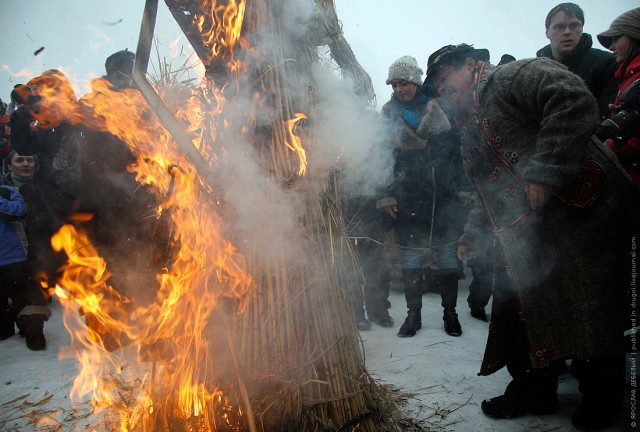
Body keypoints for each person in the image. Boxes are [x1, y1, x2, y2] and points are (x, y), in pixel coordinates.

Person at [424, 43, 638, 430]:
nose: (442, 88)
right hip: (527, 233)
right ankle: (532, 390)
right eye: (436, 85)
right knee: (519, 311)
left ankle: (602, 402)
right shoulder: (469, 127)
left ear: (472, 64)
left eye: (445, 77)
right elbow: (487, 190)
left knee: (589, 309)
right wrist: (471, 234)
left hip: (580, 217)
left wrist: (546, 168)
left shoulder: (511, 77)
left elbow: (572, 99)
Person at [378, 55, 470, 338]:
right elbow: (382, 158)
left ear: (416, 82)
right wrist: (387, 196)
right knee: (411, 260)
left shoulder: (440, 110)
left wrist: (463, 187)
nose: (398, 89)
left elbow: (457, 154)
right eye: (393, 84)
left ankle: (450, 314)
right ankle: (413, 316)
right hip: (408, 195)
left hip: (443, 194)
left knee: (446, 258)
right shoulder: (387, 115)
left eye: (403, 82)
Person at [0, 149, 51, 350]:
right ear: (10, 165)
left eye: (29, 160)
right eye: (19, 160)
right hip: (7, 256)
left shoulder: (11, 192)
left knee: (30, 299)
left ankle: (33, 331)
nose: (25, 164)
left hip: (25, 255)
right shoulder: (6, 187)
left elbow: (19, 211)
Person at [536, 2, 619, 120]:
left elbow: (606, 116)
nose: (567, 32)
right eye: (559, 26)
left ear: (582, 29)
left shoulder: (607, 63)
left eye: (574, 25)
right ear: (547, 32)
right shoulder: (536, 71)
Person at [596, 7, 640, 185]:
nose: (611, 47)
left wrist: (607, 148)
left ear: (634, 35)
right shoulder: (628, 79)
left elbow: (635, 140)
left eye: (616, 38)